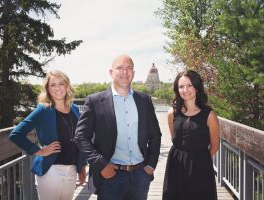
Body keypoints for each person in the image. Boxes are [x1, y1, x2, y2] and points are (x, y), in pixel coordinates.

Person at [74, 54, 162, 200]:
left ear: (133, 73)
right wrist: (101, 164)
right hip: (110, 175)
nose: (125, 72)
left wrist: (151, 165)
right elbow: (81, 136)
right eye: (120, 68)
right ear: (111, 72)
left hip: (141, 175)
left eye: (129, 68)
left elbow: (155, 135)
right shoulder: (95, 101)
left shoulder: (145, 101)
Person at [9, 70, 87, 200]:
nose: (57, 88)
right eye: (53, 85)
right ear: (47, 89)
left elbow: (80, 140)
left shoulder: (74, 109)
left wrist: (82, 167)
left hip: (72, 170)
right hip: (51, 171)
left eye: (61, 84)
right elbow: (15, 134)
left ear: (67, 86)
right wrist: (39, 151)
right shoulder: (43, 110)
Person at [162, 70, 219, 200]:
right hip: (175, 165)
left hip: (200, 166)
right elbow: (175, 138)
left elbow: (215, 146)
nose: (185, 90)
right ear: (177, 89)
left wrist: (199, 159)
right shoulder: (172, 113)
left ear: (197, 87)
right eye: (181, 86)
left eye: (189, 85)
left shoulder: (209, 115)